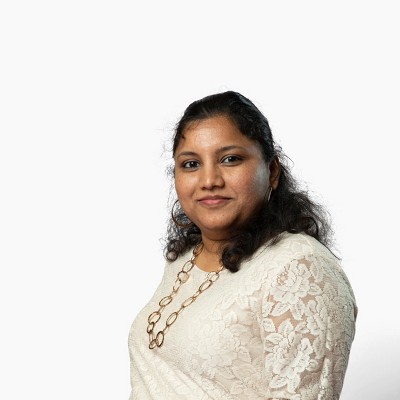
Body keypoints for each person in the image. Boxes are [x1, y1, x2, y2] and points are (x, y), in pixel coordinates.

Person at [128, 91, 357, 400]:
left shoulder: (298, 268)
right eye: (191, 164)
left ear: (272, 171)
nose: (209, 179)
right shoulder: (184, 257)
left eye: (230, 159)